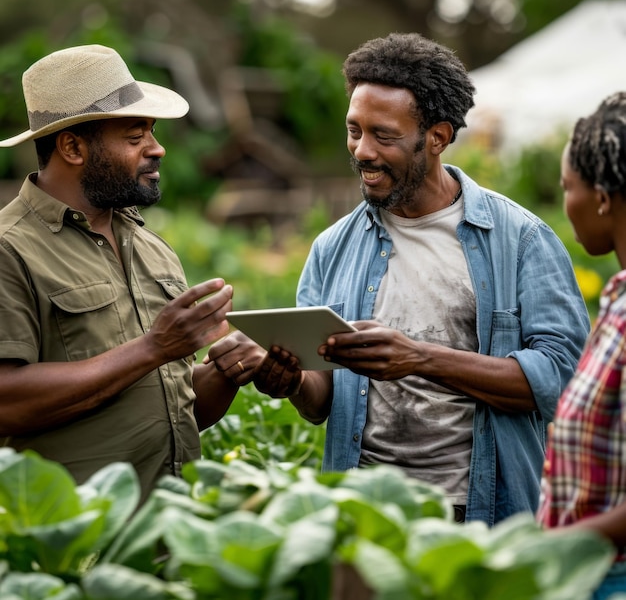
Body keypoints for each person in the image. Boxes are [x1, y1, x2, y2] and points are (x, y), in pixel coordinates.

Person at [208, 32, 590, 526]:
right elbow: (321, 400)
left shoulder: (520, 240)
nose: (362, 151)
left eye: (383, 135)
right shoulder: (332, 249)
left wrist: (419, 358)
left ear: (437, 136)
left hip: (479, 514)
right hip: (362, 508)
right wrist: (290, 381)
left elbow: (562, 381)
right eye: (354, 131)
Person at [0, 44, 243, 501]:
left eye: (151, 132)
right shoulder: (10, 248)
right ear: (72, 146)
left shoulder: (151, 248)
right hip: (73, 544)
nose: (158, 148)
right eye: (136, 137)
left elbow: (168, 407)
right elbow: (6, 403)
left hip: (171, 531)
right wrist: (154, 348)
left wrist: (226, 371)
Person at [536, 92, 626, 598]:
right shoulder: (616, 301)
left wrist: (542, 545)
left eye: (567, 187)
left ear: (604, 198)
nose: (565, 202)